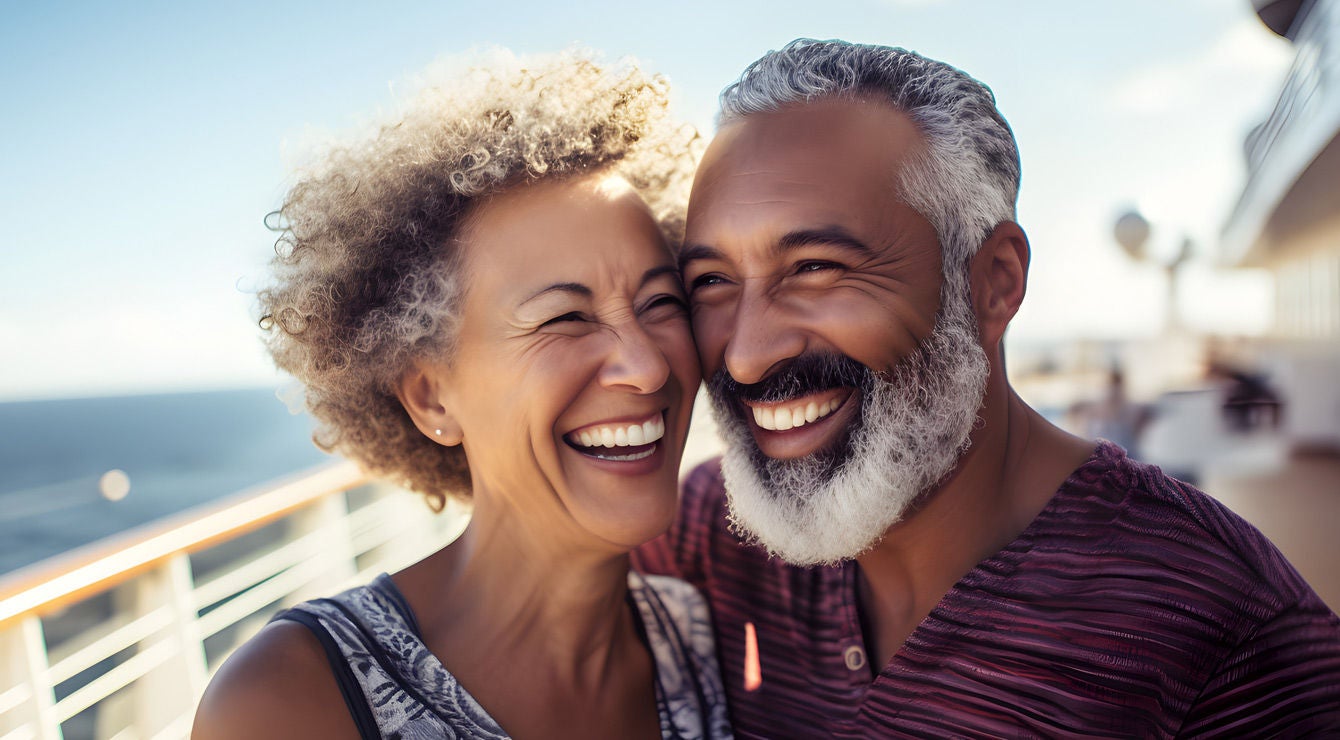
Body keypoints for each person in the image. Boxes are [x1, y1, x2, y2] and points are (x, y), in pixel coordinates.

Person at [634, 39, 1340, 737]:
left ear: (994, 282)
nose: (750, 355)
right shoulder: (711, 537)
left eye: (817, 267)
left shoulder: (1225, 632)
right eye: (712, 282)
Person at [193, 50, 732, 740]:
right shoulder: (292, 701)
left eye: (662, 302)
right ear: (430, 397)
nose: (647, 367)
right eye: (564, 318)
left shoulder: (700, 639)